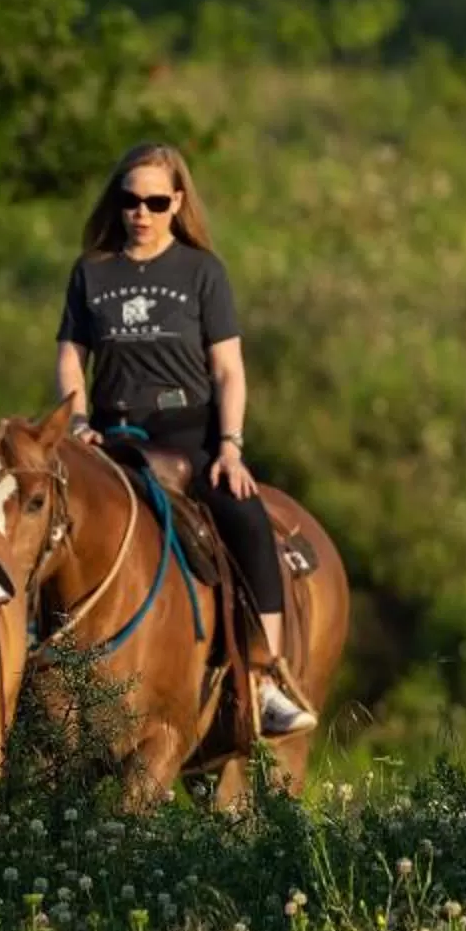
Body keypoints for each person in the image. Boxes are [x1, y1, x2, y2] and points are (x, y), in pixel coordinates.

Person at [54, 142, 315, 737]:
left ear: (176, 202)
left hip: (186, 430)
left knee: (244, 515)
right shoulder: (91, 271)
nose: (140, 212)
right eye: (130, 200)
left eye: (154, 201)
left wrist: (230, 446)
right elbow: (72, 360)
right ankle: (36, 662)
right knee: (43, 516)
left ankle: (265, 676)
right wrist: (76, 422)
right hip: (113, 433)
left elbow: (228, 369)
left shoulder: (202, 271)